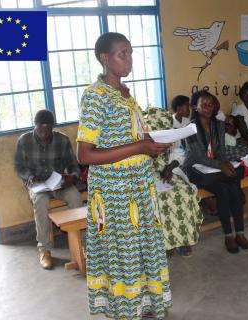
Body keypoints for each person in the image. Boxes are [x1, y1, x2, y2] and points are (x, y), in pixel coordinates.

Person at [76, 32, 172, 319]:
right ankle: (126, 310)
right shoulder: (95, 96)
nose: (129, 59)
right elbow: (85, 155)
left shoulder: (125, 94)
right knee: (125, 253)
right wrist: (140, 146)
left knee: (144, 248)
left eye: (131, 53)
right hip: (116, 192)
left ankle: (144, 306)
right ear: (106, 59)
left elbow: (127, 138)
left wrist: (150, 144)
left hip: (139, 185)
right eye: (123, 54)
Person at [184, 90, 248, 254]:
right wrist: (221, 166)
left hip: (215, 168)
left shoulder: (219, 125)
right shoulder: (190, 128)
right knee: (225, 187)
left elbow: (221, 151)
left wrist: (225, 163)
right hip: (196, 170)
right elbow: (199, 157)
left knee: (233, 183)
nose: (208, 107)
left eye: (211, 104)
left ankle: (240, 234)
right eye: (204, 105)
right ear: (196, 107)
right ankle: (229, 236)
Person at [14, 109, 83, 270]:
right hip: (38, 185)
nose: (44, 134)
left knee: (75, 197)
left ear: (53, 127)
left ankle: (81, 244)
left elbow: (73, 165)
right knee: (40, 202)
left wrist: (71, 177)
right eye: (40, 130)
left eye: (48, 130)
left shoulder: (62, 140)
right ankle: (45, 250)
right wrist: (28, 176)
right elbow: (19, 167)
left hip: (58, 183)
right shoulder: (24, 141)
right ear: (35, 125)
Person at [143, 107, 203, 259]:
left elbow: (179, 153)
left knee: (185, 193)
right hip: (148, 177)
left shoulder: (172, 136)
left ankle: (183, 240)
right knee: (159, 199)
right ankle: (165, 243)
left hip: (168, 173)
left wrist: (170, 166)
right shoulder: (141, 142)